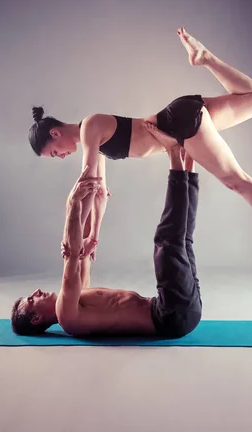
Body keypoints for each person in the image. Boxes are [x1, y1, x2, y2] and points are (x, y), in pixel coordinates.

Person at [28, 28, 252, 279]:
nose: (61, 157)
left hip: (178, 125)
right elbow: (99, 192)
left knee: (237, 181)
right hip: (181, 113)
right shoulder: (94, 138)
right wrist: (93, 235)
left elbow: (88, 185)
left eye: (54, 153)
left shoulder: (89, 125)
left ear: (55, 134)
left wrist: (76, 233)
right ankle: (205, 58)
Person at [11, 141, 203, 338]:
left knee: (183, 240)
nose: (36, 291)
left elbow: (80, 246)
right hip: (170, 316)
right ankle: (174, 155)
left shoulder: (77, 298)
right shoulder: (67, 316)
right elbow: (71, 255)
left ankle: (188, 157)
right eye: (32, 300)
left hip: (180, 309)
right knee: (167, 241)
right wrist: (72, 203)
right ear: (36, 319)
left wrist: (97, 158)